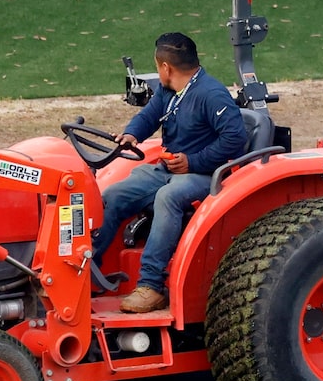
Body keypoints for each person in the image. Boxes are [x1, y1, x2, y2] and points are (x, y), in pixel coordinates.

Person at [84, 31, 255, 313]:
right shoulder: (169, 90)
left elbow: (235, 138)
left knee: (168, 197)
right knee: (114, 194)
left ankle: (151, 285)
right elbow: (150, 115)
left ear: (166, 67)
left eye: (156, 65)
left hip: (204, 173)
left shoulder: (211, 94)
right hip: (169, 168)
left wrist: (194, 161)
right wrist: (131, 135)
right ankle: (88, 270)